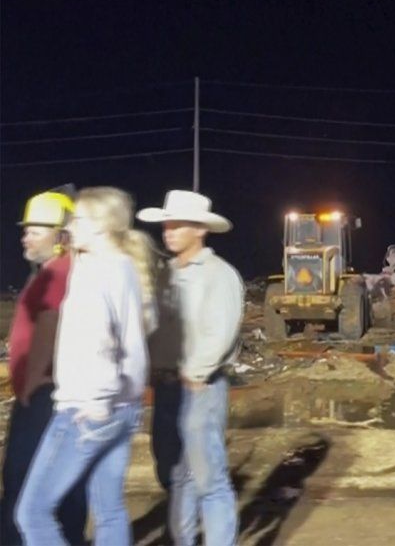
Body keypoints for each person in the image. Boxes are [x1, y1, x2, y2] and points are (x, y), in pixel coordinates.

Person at [15, 187, 154, 546]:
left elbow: (100, 340)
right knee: (109, 509)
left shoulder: (92, 273)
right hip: (124, 407)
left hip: (87, 409)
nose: (70, 227)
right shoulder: (125, 267)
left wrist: (96, 402)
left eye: (77, 219)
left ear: (101, 226)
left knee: (32, 513)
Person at [137, 190, 243, 546]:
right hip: (167, 388)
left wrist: (195, 373)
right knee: (174, 473)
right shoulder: (165, 275)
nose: (168, 231)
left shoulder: (218, 275)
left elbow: (221, 331)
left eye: (178, 225)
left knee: (208, 478)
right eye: (167, 225)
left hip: (200, 388)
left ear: (200, 229)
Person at [0, 188, 87, 545]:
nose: (25, 236)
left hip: (43, 397)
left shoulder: (58, 273)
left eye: (35, 230)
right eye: (26, 229)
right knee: (59, 487)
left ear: (61, 237)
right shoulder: (52, 271)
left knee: (22, 484)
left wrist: (32, 383)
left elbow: (49, 326)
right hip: (48, 394)